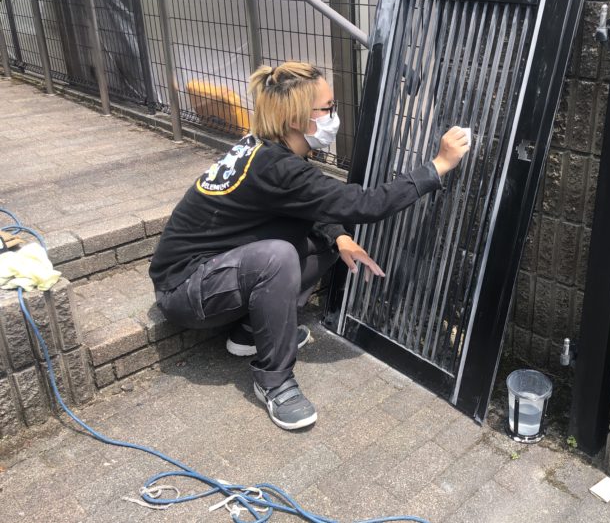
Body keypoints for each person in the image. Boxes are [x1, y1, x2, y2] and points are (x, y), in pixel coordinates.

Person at [149, 62, 469, 430]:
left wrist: (340, 237)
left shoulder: (267, 149)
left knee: (330, 238)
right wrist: (438, 165)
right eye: (328, 108)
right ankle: (274, 380)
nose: (335, 115)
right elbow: (366, 204)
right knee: (277, 257)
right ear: (297, 119)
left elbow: (310, 206)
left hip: (214, 272)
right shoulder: (277, 167)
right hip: (183, 289)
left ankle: (249, 333)